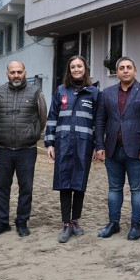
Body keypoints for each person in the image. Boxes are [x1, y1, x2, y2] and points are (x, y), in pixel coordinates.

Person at [93, 57, 140, 240]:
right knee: (114, 188)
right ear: (117, 72)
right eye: (122, 68)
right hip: (112, 149)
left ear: (135, 71)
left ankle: (136, 225)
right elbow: (100, 121)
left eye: (129, 67)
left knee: (137, 189)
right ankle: (114, 223)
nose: (125, 70)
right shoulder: (107, 93)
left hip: (136, 150)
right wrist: (99, 145)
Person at [0, 61, 47, 238]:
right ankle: (2, 222)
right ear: (7, 74)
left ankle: (22, 222)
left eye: (19, 72)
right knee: (2, 187)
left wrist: (33, 133)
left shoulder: (35, 92)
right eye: (12, 72)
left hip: (27, 149)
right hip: (4, 149)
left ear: (24, 73)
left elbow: (42, 117)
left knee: (26, 187)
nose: (16, 75)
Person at [45, 56, 100, 243]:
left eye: (80, 66)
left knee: (79, 183)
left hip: (84, 144)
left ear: (85, 69)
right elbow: (52, 117)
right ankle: (66, 223)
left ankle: (75, 220)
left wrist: (96, 146)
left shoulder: (93, 93)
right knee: (64, 183)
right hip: (63, 143)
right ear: (69, 70)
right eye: (73, 67)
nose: (76, 69)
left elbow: (97, 122)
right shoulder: (61, 91)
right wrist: (50, 143)